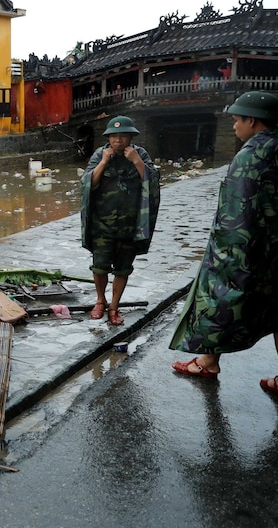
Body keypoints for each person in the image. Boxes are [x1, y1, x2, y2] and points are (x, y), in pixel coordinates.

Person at [170, 91, 278, 385]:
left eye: (236, 120)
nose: (233, 126)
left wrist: (223, 260)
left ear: (252, 121)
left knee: (217, 299)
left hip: (250, 248)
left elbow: (237, 215)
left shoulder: (250, 156)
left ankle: (207, 362)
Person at [81, 116, 160, 326]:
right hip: (102, 224)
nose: (118, 140)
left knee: (123, 268)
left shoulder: (140, 154)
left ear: (131, 137)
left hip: (130, 224)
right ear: (108, 138)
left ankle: (114, 306)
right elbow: (88, 182)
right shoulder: (100, 154)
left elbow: (152, 182)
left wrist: (136, 161)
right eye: (114, 136)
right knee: (99, 266)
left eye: (123, 136)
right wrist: (105, 161)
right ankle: (100, 300)